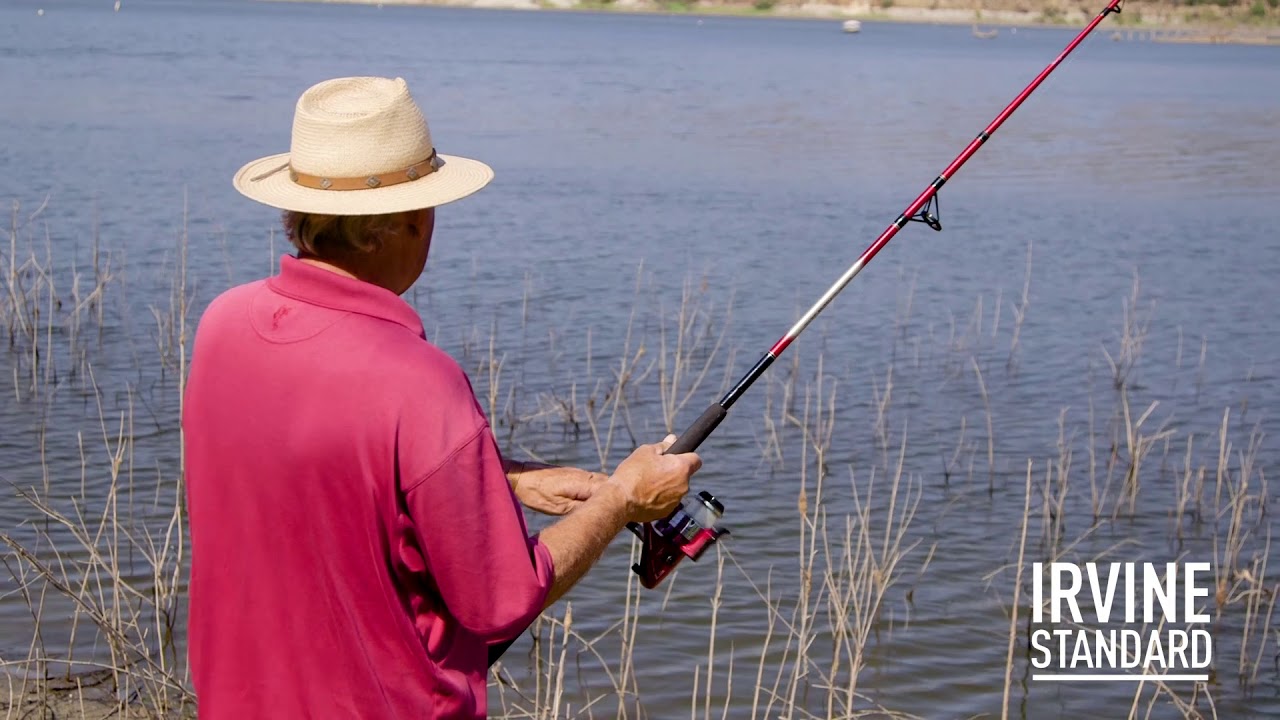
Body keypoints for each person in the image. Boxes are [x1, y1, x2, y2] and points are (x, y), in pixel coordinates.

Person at [182, 76, 702, 719]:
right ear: (398, 225)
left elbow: (323, 462)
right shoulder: (419, 381)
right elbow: (503, 601)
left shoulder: (221, 326)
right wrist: (623, 499)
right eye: (430, 207)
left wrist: (500, 478)